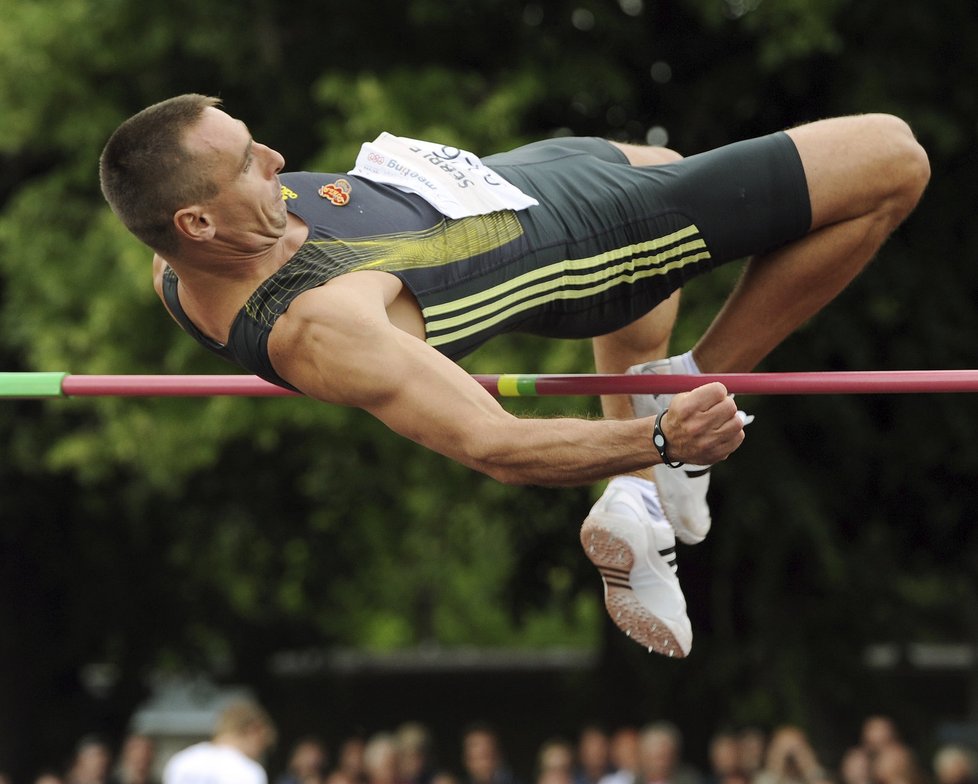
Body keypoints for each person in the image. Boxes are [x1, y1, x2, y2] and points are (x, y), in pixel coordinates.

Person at [99, 95, 929, 656]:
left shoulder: (176, 267)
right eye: (248, 161)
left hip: (517, 174)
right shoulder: (325, 326)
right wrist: (662, 433)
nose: (277, 158)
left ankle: (640, 498)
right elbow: (495, 445)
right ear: (198, 220)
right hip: (594, 237)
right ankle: (680, 398)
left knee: (661, 152)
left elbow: (171, 195)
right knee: (893, 157)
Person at [145, 698, 277, 784]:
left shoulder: (181, 762)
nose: (258, 754)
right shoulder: (247, 773)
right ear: (254, 730)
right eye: (262, 745)